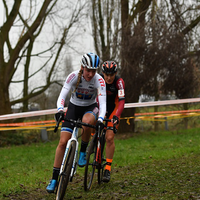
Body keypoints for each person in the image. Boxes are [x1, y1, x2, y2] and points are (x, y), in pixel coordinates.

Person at [46, 53, 106, 193]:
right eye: (88, 70)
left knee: (86, 122)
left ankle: (83, 152)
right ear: (82, 67)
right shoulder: (73, 76)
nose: (90, 74)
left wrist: (101, 119)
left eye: (93, 71)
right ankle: (54, 179)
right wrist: (60, 110)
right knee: (62, 142)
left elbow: (102, 104)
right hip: (73, 107)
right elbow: (62, 96)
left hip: (90, 108)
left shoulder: (99, 80)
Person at [100, 61, 125, 183]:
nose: (109, 78)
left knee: (109, 138)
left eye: (111, 75)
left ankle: (108, 169)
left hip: (114, 108)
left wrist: (117, 115)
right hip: (101, 106)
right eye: (106, 75)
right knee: (93, 128)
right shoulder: (98, 79)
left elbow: (121, 101)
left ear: (115, 73)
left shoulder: (119, 82)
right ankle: (93, 147)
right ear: (103, 73)